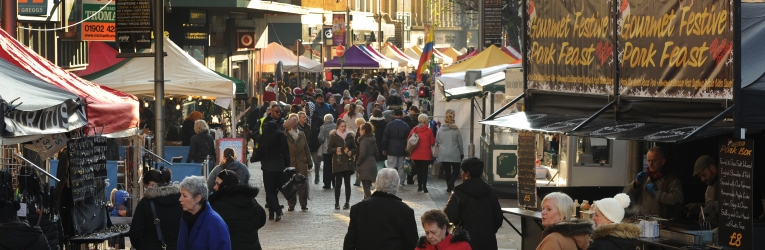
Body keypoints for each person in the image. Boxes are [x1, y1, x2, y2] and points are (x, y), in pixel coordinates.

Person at [342, 168, 418, 250]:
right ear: (397, 185)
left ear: (376, 183)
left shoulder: (359, 208)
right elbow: (412, 243)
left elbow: (349, 243)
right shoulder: (405, 211)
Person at [444, 157, 503, 250]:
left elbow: (448, 216)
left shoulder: (459, 193)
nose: (462, 174)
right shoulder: (490, 192)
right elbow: (498, 218)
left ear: (467, 174)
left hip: (465, 242)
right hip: (488, 242)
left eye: (463, 172)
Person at [209, 171, 267, 250]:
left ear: (225, 185)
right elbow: (262, 219)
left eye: (218, 184)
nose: (214, 187)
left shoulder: (217, 206)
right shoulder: (250, 200)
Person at [623, 146, 684, 219]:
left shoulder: (671, 180)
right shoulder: (644, 178)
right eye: (648, 161)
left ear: (662, 161)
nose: (650, 164)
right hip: (643, 221)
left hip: (663, 224)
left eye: (654, 161)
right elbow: (625, 196)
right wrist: (636, 184)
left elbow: (678, 199)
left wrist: (657, 193)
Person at [130, 168, 183, 250]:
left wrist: (142, 247)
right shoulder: (180, 200)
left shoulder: (145, 203)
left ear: (151, 183)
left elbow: (135, 233)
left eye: (145, 186)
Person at [177, 176, 231, 250]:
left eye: (185, 196)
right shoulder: (185, 218)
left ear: (198, 198)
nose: (180, 199)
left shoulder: (215, 222)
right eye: (180, 195)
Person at [252, 121, 290, 221]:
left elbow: (259, 152)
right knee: (276, 190)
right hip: (279, 167)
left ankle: (276, 211)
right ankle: (272, 214)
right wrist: (287, 165)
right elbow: (286, 152)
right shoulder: (280, 136)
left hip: (267, 168)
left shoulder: (263, 137)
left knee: (270, 191)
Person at [284, 117, 313, 211]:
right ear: (289, 128)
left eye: (297, 125)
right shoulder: (284, 136)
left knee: (303, 184)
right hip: (290, 164)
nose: (297, 127)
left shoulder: (301, 134)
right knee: (291, 184)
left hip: (302, 163)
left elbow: (306, 149)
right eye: (295, 126)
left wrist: (309, 162)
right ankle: (291, 204)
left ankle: (303, 204)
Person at [327, 119, 357, 210]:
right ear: (338, 127)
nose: (343, 128)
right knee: (338, 184)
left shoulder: (350, 136)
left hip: (348, 163)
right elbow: (329, 149)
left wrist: (351, 152)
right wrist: (336, 149)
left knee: (347, 183)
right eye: (342, 126)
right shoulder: (334, 136)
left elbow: (355, 148)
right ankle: (337, 203)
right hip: (338, 162)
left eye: (344, 126)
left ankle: (347, 202)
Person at [685, 155, 719, 224]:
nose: (702, 179)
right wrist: (699, 207)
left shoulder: (727, 184)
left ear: (712, 168)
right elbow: (709, 206)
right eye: (700, 177)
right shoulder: (710, 185)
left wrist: (713, 207)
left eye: (704, 175)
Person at [436, 110, 463, 192]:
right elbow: (460, 143)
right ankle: (451, 182)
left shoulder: (440, 130)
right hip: (454, 152)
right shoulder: (456, 129)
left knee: (447, 170)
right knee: (456, 169)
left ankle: (449, 186)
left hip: (443, 153)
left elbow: (437, 141)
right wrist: (462, 153)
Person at [382, 108, 410, 185]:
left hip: (391, 148)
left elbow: (385, 138)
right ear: (401, 115)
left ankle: (391, 181)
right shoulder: (405, 125)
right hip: (402, 148)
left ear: (394, 115)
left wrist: (384, 148)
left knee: (391, 166)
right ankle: (401, 182)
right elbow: (408, 138)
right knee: (401, 167)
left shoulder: (389, 125)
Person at [408, 114, 435, 192]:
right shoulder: (429, 130)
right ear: (425, 120)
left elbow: (409, 140)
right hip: (426, 154)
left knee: (418, 170)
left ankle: (419, 186)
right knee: (424, 171)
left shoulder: (414, 129)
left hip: (416, 154)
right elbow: (432, 142)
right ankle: (425, 187)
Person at [356, 122, 379, 199]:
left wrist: (357, 163)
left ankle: (368, 203)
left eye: (360, 130)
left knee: (366, 188)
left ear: (364, 131)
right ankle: (366, 202)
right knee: (368, 186)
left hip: (365, 165)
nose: (359, 132)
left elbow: (362, 154)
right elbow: (376, 153)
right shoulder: (373, 139)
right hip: (372, 164)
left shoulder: (363, 141)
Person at [318, 114, 337, 189]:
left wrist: (322, 142)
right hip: (335, 149)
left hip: (326, 150)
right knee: (335, 166)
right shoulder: (336, 126)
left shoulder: (323, 127)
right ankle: (335, 183)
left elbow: (320, 137)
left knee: (327, 167)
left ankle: (327, 184)